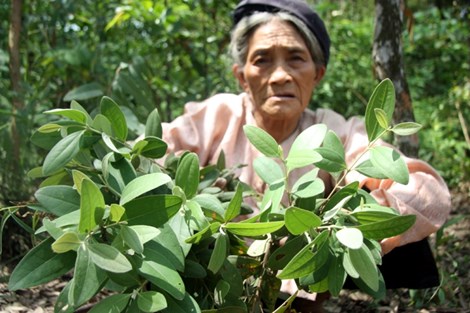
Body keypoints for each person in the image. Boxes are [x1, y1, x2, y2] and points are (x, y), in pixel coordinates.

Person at [158, 0, 452, 311]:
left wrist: (345, 225)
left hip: (297, 297)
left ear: (318, 73)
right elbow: (152, 157)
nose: (280, 75)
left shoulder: (333, 131)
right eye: (262, 60)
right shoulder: (216, 117)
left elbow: (424, 190)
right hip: (211, 292)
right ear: (242, 76)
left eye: (296, 59)